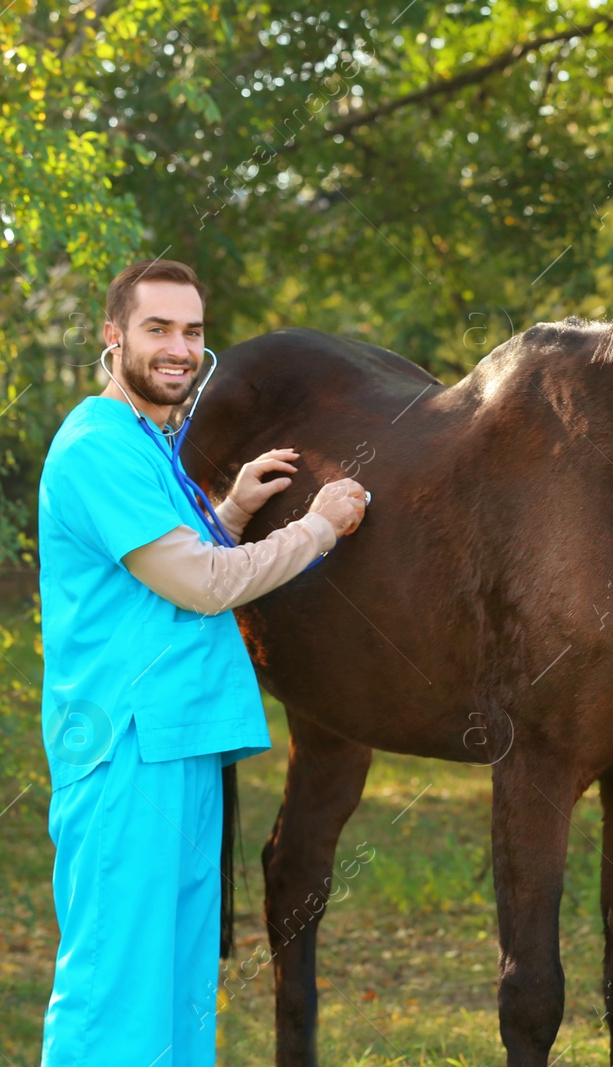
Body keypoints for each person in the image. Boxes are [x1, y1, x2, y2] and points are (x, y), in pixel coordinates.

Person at [37, 258, 367, 1066]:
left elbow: (159, 564)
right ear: (114, 337)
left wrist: (234, 508)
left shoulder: (147, 442)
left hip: (178, 740)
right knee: (115, 992)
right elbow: (201, 582)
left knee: (181, 993)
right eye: (158, 328)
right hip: (124, 749)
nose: (179, 347)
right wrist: (318, 527)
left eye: (192, 330)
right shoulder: (94, 446)